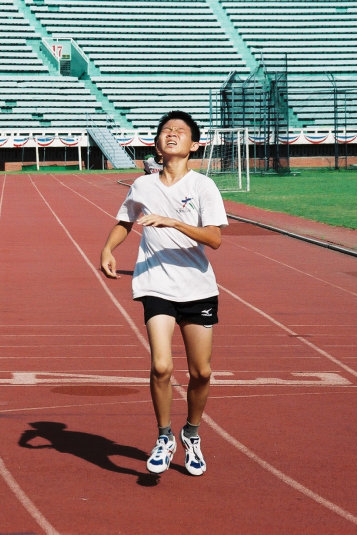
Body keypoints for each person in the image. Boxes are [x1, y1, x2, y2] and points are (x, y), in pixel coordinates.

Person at [100, 110, 228, 477]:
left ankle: (191, 434)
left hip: (197, 287)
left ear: (194, 145)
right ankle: (163, 435)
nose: (171, 134)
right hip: (155, 283)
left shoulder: (203, 187)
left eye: (180, 131)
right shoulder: (142, 186)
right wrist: (109, 249)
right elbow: (125, 221)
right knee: (161, 365)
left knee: (201, 372)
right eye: (165, 131)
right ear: (157, 144)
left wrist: (173, 221)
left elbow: (216, 239)